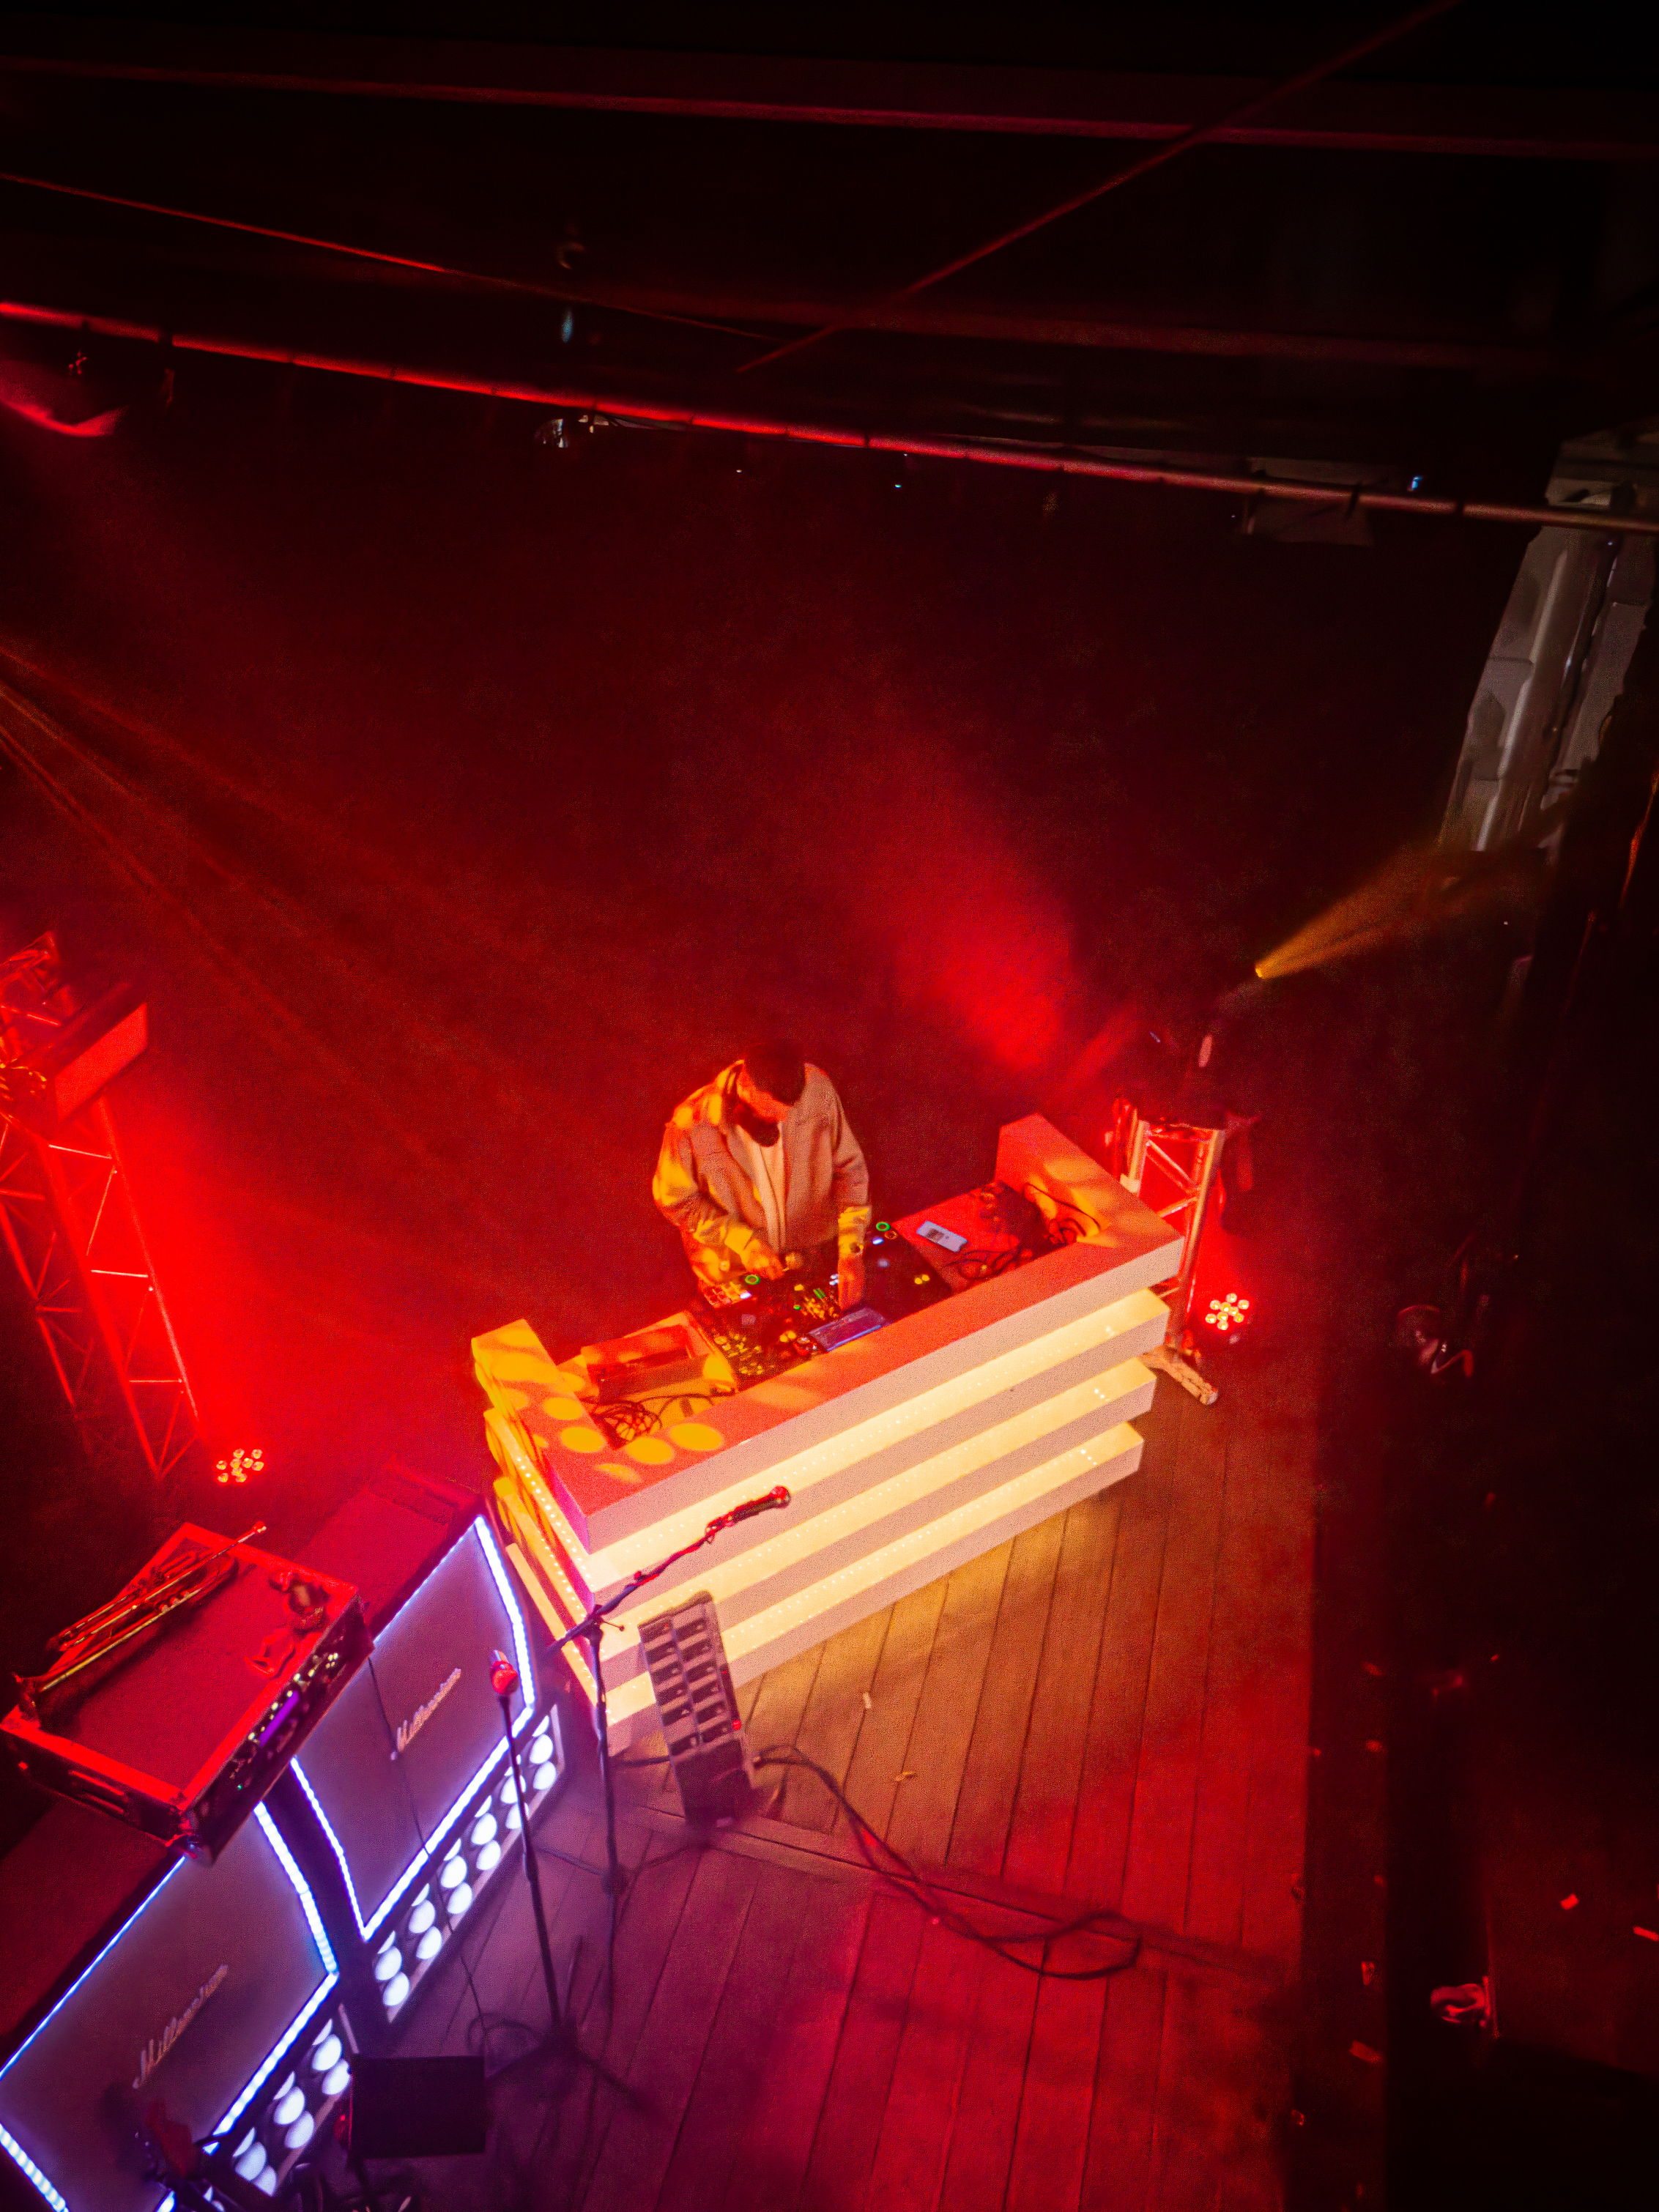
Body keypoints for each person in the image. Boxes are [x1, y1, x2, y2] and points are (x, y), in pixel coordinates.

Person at [653, 1040, 872, 1311]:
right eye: (770, 1111)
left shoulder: (818, 1090)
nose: (781, 1120)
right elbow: (676, 1202)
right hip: (739, 1277)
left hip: (817, 1258)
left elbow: (850, 1172)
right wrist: (742, 1240)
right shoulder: (692, 1125)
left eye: (791, 1111)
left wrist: (851, 1248)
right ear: (745, 1086)